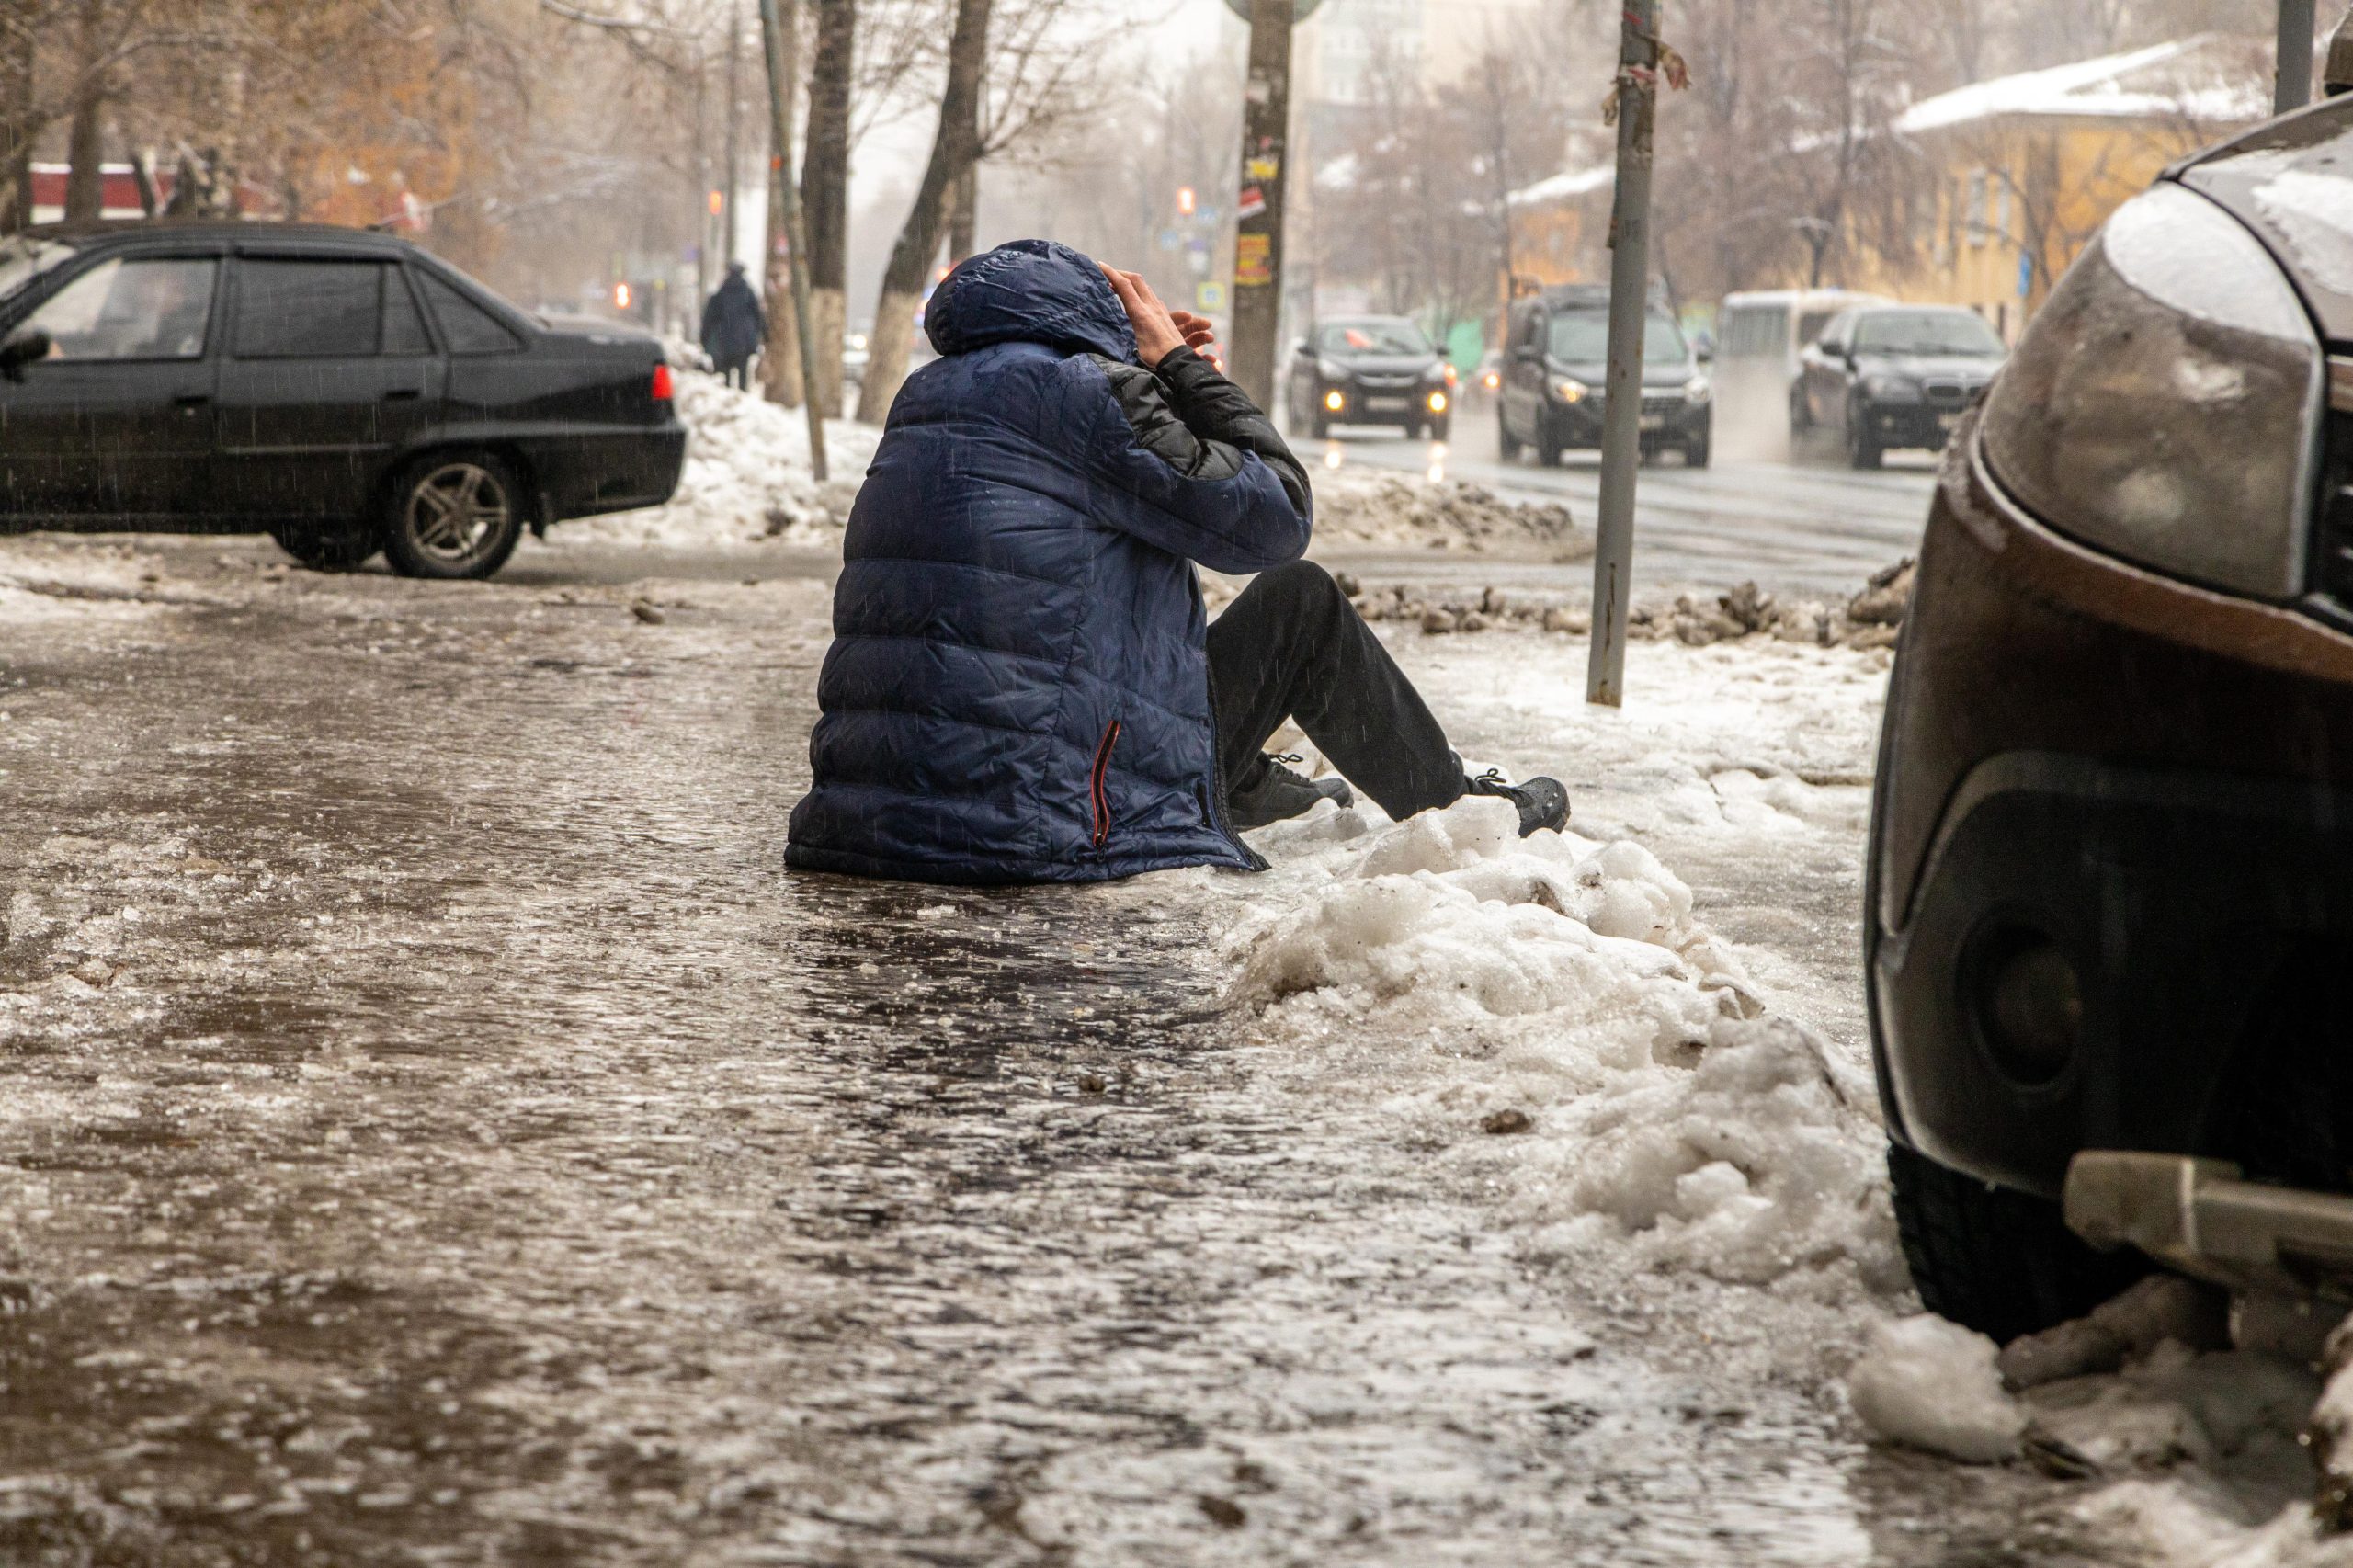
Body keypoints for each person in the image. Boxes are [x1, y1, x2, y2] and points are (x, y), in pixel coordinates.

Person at [784, 238, 1568, 885]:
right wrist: (1182, 372)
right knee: (1300, 602)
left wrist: (1149, 377)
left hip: (873, 815)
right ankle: (1453, 806)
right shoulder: (1088, 396)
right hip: (1031, 821)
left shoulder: (929, 397)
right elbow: (1275, 517)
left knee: (1096, 611)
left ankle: (1238, 780)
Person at [699, 261, 765, 390]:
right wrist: (764, 335)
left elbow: (709, 319)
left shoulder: (720, 294)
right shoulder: (749, 294)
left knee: (724, 377)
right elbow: (759, 317)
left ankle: (727, 396)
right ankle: (742, 396)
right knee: (742, 375)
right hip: (743, 343)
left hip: (723, 342)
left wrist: (704, 339)